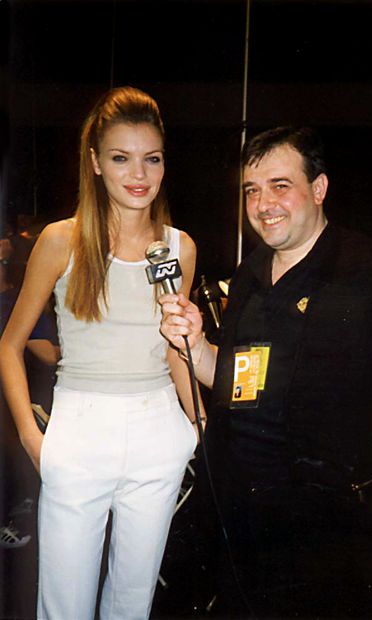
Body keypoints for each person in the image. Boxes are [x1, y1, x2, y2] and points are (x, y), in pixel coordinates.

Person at [159, 126, 372, 619]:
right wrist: (194, 344)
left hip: (333, 541)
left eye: (280, 186)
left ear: (319, 188)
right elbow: (237, 381)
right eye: (252, 190)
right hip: (244, 530)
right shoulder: (251, 274)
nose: (263, 204)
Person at [0, 86, 201, 620]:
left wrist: (195, 426)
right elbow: (10, 345)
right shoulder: (60, 241)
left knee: (132, 604)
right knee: (63, 606)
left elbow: (176, 347)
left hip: (159, 429)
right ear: (94, 162)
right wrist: (32, 438)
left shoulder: (178, 247)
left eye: (151, 159)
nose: (139, 174)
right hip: (80, 430)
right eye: (120, 158)